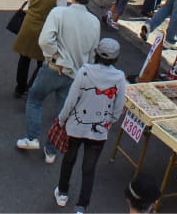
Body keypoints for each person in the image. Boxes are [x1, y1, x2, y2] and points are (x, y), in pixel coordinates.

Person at [18, 0, 99, 163]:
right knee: (62, 112)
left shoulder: (59, 13)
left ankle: (32, 137)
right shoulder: (94, 22)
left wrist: (55, 56)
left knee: (35, 98)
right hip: (76, 74)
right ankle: (51, 150)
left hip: (54, 67)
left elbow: (45, 40)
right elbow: (93, 53)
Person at [54, 38, 127, 213]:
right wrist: (109, 121)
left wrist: (62, 119)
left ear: (96, 54)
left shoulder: (84, 72)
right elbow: (118, 108)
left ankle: (62, 192)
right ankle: (81, 206)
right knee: (89, 167)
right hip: (99, 130)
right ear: (115, 58)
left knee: (69, 159)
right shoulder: (119, 77)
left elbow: (71, 100)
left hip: (76, 127)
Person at [12, 0, 66, 98]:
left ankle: (20, 87)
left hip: (28, 24)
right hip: (45, 30)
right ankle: (31, 88)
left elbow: (30, 2)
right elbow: (60, 15)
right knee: (41, 63)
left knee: (24, 59)